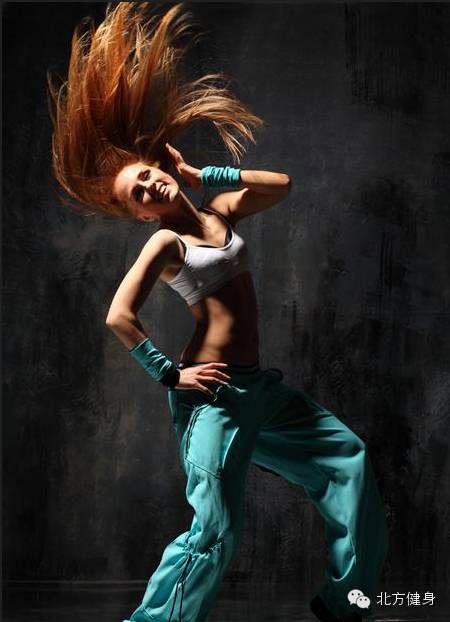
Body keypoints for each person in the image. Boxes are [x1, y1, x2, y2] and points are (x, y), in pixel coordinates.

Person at [47, 4, 389, 622]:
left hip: (260, 389)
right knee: (216, 529)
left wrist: (206, 172)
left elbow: (280, 184)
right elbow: (119, 315)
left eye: (147, 175)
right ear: (141, 215)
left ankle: (347, 603)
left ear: (161, 167)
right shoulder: (165, 242)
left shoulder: (219, 211)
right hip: (216, 395)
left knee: (348, 460)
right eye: (138, 195)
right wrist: (169, 375)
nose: (150, 187)